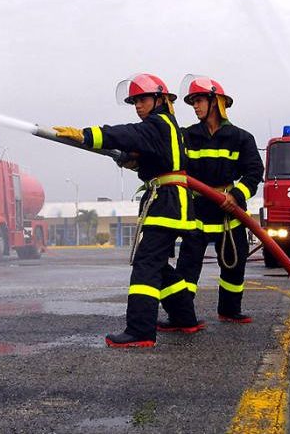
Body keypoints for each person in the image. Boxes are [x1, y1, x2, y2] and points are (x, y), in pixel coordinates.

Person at [53, 73, 202, 348]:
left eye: (142, 99)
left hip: (166, 202)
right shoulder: (167, 127)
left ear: (159, 99)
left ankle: (140, 331)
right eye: (134, 101)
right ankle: (184, 317)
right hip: (171, 200)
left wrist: (86, 135)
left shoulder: (157, 124)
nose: (137, 105)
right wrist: (132, 161)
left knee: (146, 265)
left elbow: (124, 133)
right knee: (157, 264)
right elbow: (155, 158)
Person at [170, 75, 263, 325]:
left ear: (216, 102)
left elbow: (255, 172)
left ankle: (230, 310)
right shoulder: (186, 136)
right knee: (187, 268)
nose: (196, 107)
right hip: (197, 211)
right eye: (193, 102)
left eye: (199, 100)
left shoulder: (242, 138)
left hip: (228, 213)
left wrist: (236, 195)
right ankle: (181, 315)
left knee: (234, 265)